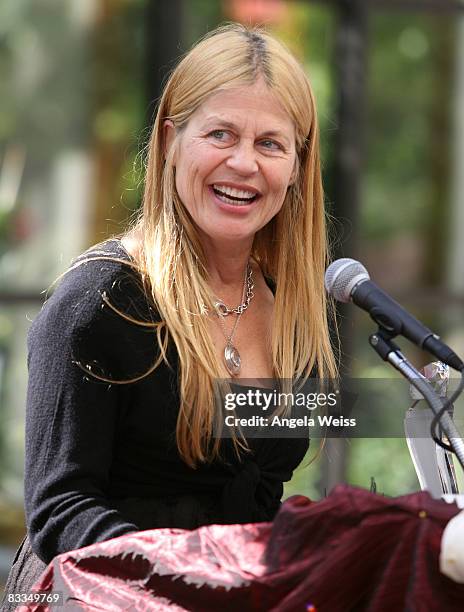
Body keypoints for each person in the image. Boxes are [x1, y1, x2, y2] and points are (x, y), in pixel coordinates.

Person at [2, 22, 337, 606]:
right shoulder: (98, 303)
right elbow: (61, 511)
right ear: (169, 141)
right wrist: (189, 580)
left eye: (270, 144)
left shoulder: (299, 313)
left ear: (299, 166)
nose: (243, 163)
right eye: (220, 134)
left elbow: (262, 490)